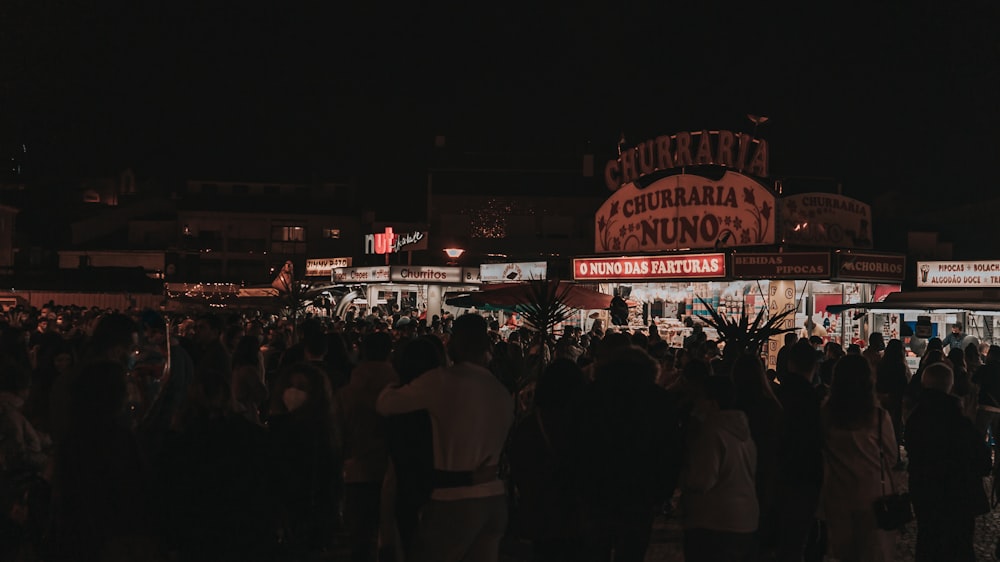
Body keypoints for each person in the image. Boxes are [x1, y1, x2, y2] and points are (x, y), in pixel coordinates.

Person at [376, 314, 514, 562]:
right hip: (494, 499)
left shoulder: (441, 381)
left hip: (454, 500)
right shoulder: (500, 390)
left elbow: (386, 404)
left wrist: (393, 383)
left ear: (454, 343)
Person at [570, 345, 682, 562]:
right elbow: (670, 448)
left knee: (596, 549)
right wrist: (664, 491)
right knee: (632, 551)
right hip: (641, 492)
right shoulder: (658, 400)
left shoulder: (590, 396)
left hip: (596, 488)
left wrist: (578, 483)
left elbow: (576, 441)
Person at [904, 362, 991, 562]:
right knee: (960, 545)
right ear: (949, 386)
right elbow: (983, 461)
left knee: (927, 540)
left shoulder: (915, 419)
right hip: (959, 494)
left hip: (925, 491)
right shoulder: (960, 421)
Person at [819, 354, 897, 562]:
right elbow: (891, 455)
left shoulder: (826, 414)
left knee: (842, 551)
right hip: (873, 494)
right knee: (872, 551)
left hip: (837, 492)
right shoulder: (878, 417)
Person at [681, 375, 758, 562]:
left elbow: (703, 480)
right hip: (745, 518)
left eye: (701, 398)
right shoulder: (744, 432)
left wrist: (683, 479)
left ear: (712, 403)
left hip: (715, 519)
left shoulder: (712, 431)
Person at [773, 339, 824, 562]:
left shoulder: (775, 397)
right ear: (814, 367)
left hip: (775, 478)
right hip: (806, 480)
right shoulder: (818, 401)